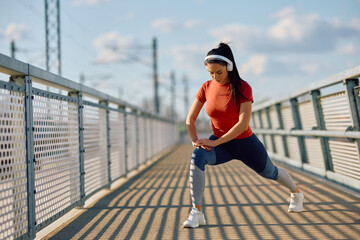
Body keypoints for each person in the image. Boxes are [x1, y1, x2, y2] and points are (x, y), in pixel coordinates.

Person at [182, 43, 304, 228]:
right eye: (211, 73)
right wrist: (195, 142)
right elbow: (190, 120)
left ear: (229, 67)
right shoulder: (206, 87)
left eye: (219, 73)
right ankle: (196, 212)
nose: (215, 77)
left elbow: (242, 124)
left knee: (271, 172)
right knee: (197, 155)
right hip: (221, 145)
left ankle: (296, 193)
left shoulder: (243, 88)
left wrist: (216, 142)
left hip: (245, 143)